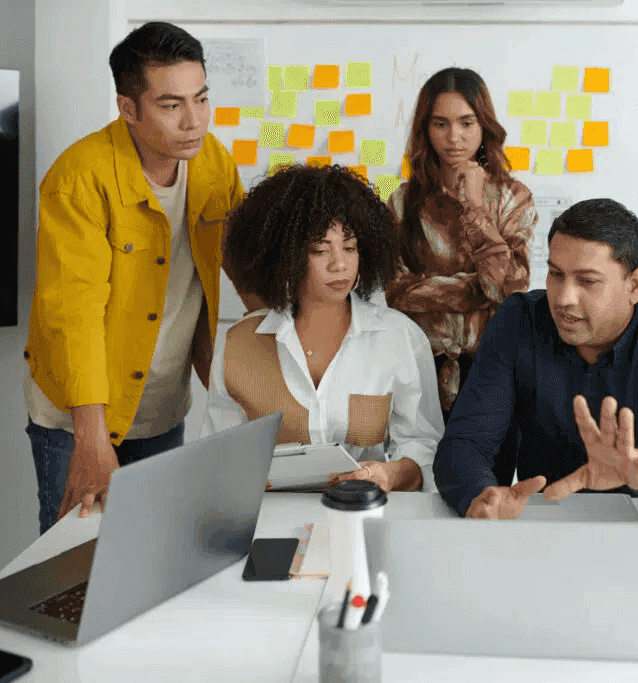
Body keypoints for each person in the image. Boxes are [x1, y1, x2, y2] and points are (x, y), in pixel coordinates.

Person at [23, 22, 243, 533]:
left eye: (201, 98)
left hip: (163, 407)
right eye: (171, 105)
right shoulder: (78, 179)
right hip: (78, 416)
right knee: (74, 569)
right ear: (129, 109)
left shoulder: (213, 162)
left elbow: (249, 267)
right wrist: (91, 439)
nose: (194, 121)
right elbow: (73, 314)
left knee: (153, 552)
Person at [433, 198, 638, 540]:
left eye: (587, 281)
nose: (563, 298)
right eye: (556, 275)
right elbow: (466, 445)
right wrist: (481, 497)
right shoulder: (519, 322)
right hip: (539, 536)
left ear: (634, 285)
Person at [203, 164, 444, 492]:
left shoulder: (399, 337)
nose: (339, 264)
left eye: (349, 247)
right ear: (285, 255)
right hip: (270, 521)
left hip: (362, 516)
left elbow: (422, 446)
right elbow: (217, 459)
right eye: (320, 250)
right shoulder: (239, 343)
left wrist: (390, 474)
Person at [386, 67, 538, 421]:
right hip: (418, 366)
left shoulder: (513, 198)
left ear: (484, 126)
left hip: (492, 366)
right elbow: (395, 291)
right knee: (420, 471)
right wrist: (477, 291)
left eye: (466, 123)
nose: (454, 137)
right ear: (425, 129)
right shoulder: (402, 201)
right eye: (441, 124)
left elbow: (508, 288)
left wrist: (474, 208)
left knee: (484, 474)